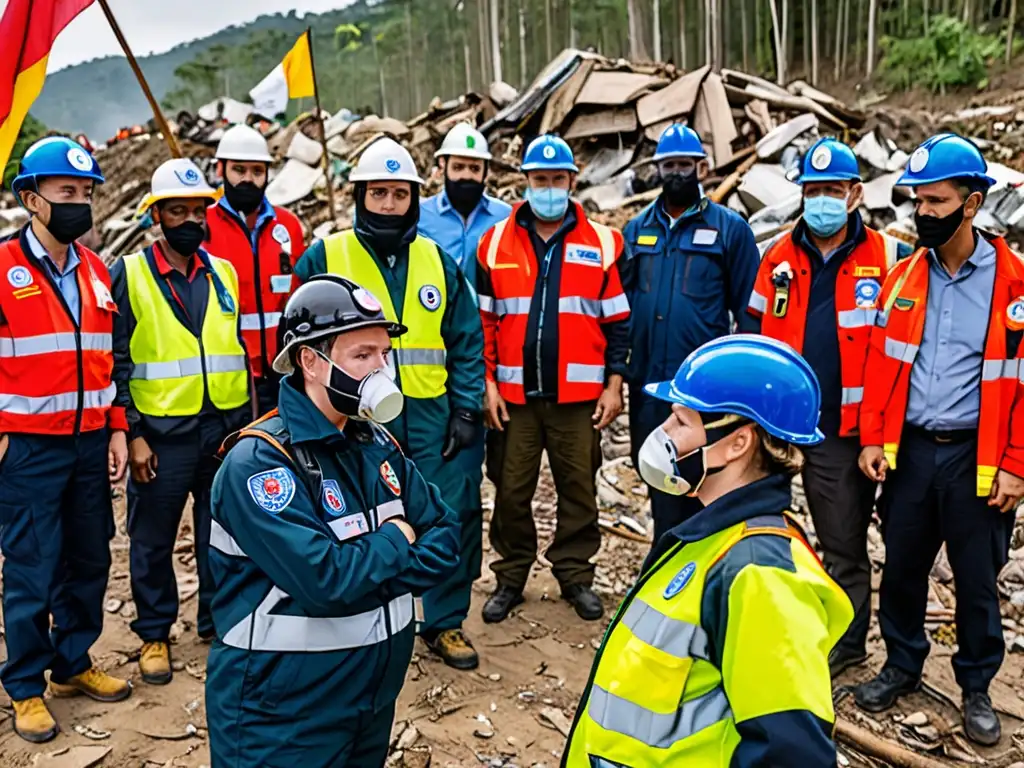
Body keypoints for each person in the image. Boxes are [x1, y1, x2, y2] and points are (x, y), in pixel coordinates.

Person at [562, 335, 854, 767]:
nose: (662, 434)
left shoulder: (762, 575)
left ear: (738, 442)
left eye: (680, 421)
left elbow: (793, 754)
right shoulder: (714, 536)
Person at [206, 274, 459, 766]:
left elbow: (448, 539)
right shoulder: (260, 464)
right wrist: (396, 538)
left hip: (371, 699)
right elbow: (325, 580)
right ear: (310, 362)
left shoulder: (377, 443)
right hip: (282, 714)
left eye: (383, 354)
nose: (381, 369)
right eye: (362, 356)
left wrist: (372, 564)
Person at [854, 133, 1024, 746]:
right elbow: (881, 366)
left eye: (936, 202)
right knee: (902, 569)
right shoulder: (903, 279)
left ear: (972, 204)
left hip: (976, 458)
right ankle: (901, 664)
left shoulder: (1013, 283)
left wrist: (1015, 465)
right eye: (918, 201)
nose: (922, 213)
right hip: (911, 455)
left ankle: (976, 687)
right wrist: (873, 438)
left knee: (978, 579)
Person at [294, 138, 485, 670]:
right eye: (377, 193)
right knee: (355, 516)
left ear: (414, 200)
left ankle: (444, 621)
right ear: (359, 196)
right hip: (353, 413)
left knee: (453, 512)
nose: (387, 204)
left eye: (399, 195)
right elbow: (300, 340)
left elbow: (466, 337)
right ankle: (369, 613)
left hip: (431, 414)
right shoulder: (325, 256)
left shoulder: (438, 260)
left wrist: (468, 409)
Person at [741, 137, 911, 677]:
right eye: (812, 191)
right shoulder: (777, 258)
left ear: (856, 194)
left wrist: (877, 434)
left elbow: (904, 349)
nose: (820, 201)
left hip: (843, 433)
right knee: (768, 529)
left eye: (831, 191)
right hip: (777, 428)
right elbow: (751, 333)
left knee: (842, 542)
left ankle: (848, 640)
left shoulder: (888, 258)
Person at [0, 137, 132, 743]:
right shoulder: (3, 270)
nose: (81, 204)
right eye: (66, 193)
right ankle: (25, 686)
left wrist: (114, 428)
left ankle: (71, 664)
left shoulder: (97, 270)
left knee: (89, 559)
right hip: (27, 447)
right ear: (32, 198)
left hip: (86, 443)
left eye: (86, 194)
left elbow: (107, 361)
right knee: (32, 566)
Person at [475, 134, 630, 624]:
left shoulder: (604, 243)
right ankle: (511, 575)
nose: (547, 188)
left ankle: (575, 574)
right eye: (538, 180)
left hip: (578, 398)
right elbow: (485, 323)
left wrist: (614, 383)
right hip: (515, 398)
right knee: (511, 489)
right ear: (525, 182)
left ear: (572, 181)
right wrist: (488, 384)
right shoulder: (494, 243)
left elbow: (618, 323)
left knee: (578, 488)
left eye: (556, 180)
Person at [111, 158, 252, 685]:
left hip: (221, 432)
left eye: (199, 209)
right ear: (156, 216)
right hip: (161, 437)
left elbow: (234, 349)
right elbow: (117, 359)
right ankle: (153, 634)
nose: (191, 219)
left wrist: (244, 424)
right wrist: (133, 432)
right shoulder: (129, 275)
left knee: (224, 532)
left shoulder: (224, 273)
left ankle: (217, 619)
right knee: (152, 538)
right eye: (178, 210)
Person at [621, 124, 760, 542]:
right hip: (648, 384)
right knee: (658, 478)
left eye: (685, 165)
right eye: (669, 166)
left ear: (701, 166)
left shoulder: (730, 230)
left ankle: (706, 564)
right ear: (657, 169)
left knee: (705, 480)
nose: (678, 174)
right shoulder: (636, 230)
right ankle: (666, 559)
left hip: (703, 393)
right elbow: (621, 308)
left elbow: (749, 315)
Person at [416, 122, 511, 668]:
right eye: (459, 167)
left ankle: (446, 618)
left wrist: (474, 395)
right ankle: (394, 606)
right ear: (442, 168)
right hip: (411, 380)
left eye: (476, 169)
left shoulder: (505, 222)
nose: (467, 176)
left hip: (474, 371)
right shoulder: (417, 218)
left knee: (460, 499)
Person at [205, 124, 306, 415]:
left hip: (283, 373)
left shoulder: (288, 226)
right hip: (229, 377)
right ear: (220, 170)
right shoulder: (203, 227)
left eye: (257, 171)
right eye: (239, 170)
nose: (248, 179)